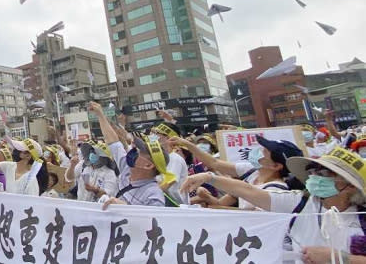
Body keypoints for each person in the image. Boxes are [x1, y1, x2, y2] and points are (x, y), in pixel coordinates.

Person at [181, 145, 366, 254]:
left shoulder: (361, 218)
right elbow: (248, 191)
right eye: (313, 171)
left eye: (324, 172)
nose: (315, 176)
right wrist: (209, 178)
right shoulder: (300, 203)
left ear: (349, 185)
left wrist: (336, 258)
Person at [171, 134, 303, 210]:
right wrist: (187, 144)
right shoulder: (251, 171)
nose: (258, 152)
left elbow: (249, 200)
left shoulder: (276, 190)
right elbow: (214, 163)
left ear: (276, 166)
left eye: (265, 152)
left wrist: (209, 177)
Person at [93, 102, 170, 208]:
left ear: (148, 165)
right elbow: (113, 142)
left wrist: (125, 207)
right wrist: (100, 114)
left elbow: (154, 221)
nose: (133, 151)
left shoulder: (154, 195)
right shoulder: (127, 169)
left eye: (139, 152)